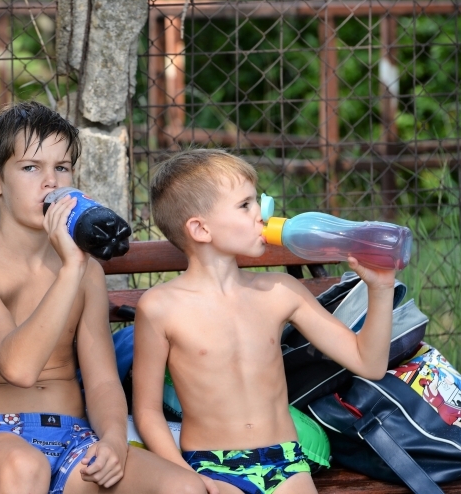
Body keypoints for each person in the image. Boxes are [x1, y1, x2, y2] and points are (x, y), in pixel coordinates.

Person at [0, 102, 217, 494]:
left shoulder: (86, 271)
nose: (50, 182)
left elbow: (103, 380)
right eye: (30, 167)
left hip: (73, 439)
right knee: (26, 468)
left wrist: (114, 442)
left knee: (183, 489)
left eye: (62, 168)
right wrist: (70, 268)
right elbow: (18, 368)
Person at [132, 149, 396, 494]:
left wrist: (381, 288)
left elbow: (369, 362)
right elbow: (147, 410)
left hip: (286, 463)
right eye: (245, 205)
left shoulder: (279, 291)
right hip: (211, 465)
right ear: (200, 228)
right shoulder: (160, 307)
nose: (262, 213)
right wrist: (184, 475)